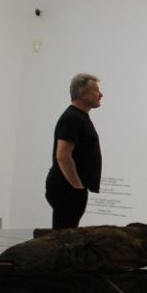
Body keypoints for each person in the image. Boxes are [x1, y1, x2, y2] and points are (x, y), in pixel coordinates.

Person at [45, 73, 103, 229]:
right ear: (83, 94)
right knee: (65, 235)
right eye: (96, 90)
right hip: (66, 188)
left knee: (67, 232)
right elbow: (63, 155)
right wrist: (77, 188)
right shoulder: (73, 118)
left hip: (70, 187)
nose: (101, 94)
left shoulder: (79, 117)